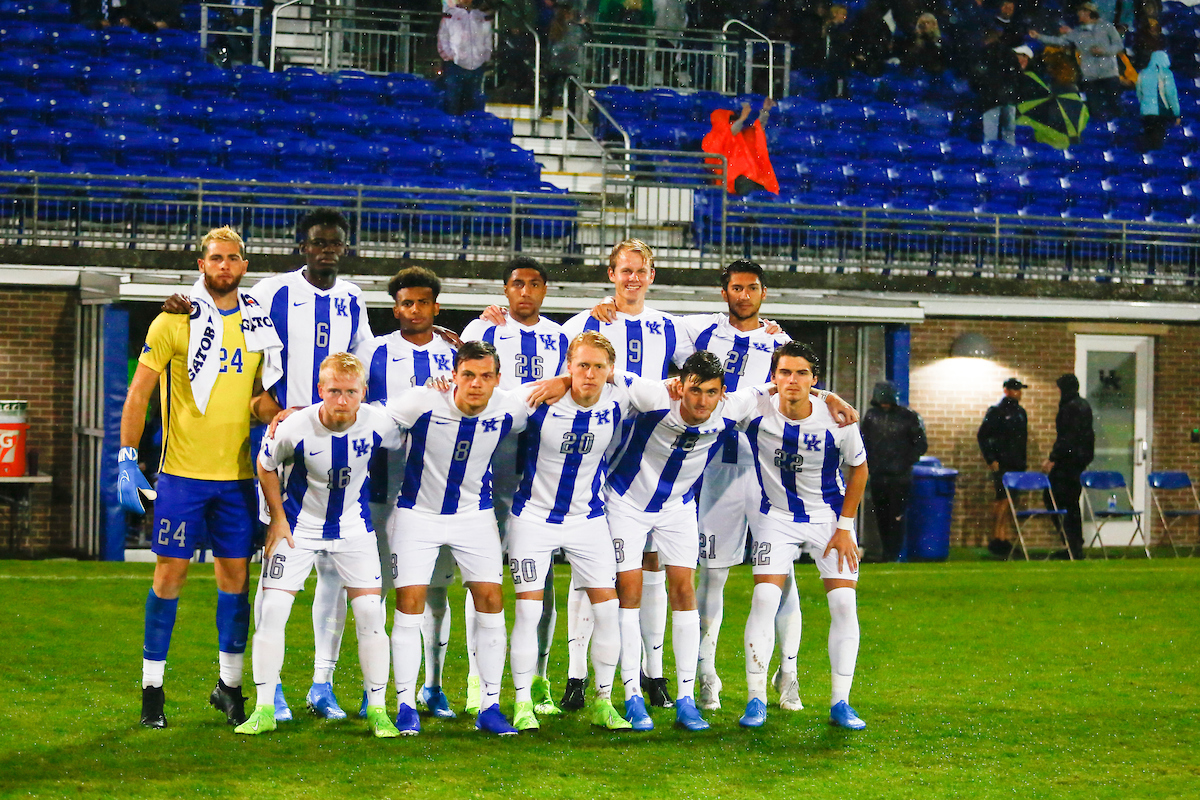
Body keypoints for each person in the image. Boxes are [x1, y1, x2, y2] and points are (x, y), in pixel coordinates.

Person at [586, 258, 858, 712]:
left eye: (752, 288)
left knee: (782, 576)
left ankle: (787, 673)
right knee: (710, 574)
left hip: (768, 468)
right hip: (713, 470)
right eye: (736, 287)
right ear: (724, 291)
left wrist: (830, 396)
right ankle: (706, 675)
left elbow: (798, 381)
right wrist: (610, 307)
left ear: (763, 293)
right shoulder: (695, 329)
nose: (744, 295)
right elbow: (646, 326)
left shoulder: (779, 339)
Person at [161, 209, 375, 722]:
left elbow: (366, 359)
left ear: (344, 248)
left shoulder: (353, 299)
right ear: (302, 247)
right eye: (317, 242)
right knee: (274, 561)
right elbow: (222, 306)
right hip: (281, 440)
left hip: (338, 442)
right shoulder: (273, 291)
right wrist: (183, 300)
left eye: (334, 243)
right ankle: (269, 687)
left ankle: (322, 683)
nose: (326, 249)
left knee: (333, 572)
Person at [120, 226, 282, 728]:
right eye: (216, 258)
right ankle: (152, 690)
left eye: (233, 258)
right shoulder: (173, 321)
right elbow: (139, 393)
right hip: (181, 477)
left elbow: (256, 398)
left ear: (244, 266)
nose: (225, 266)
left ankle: (229, 687)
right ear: (201, 264)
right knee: (169, 576)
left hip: (236, 479)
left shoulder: (259, 323)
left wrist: (279, 410)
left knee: (236, 580)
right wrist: (127, 456)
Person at [603, 351, 775, 732]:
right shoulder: (652, 396)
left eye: (711, 392)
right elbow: (604, 371)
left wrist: (832, 399)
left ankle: (685, 700)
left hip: (677, 508)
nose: (701, 401)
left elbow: (782, 383)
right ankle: (632, 694)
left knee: (684, 592)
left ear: (722, 393)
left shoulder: (731, 409)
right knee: (628, 592)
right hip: (626, 502)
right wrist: (557, 382)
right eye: (694, 390)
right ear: (680, 386)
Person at [235, 354, 400, 739]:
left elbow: (415, 429)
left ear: (364, 393)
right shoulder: (295, 426)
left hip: (353, 530)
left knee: (371, 617)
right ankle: (264, 708)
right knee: (273, 610)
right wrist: (277, 518)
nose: (343, 400)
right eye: (335, 392)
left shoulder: (380, 423)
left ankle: (377, 709)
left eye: (351, 392)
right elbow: (265, 465)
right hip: (298, 529)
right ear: (320, 391)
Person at [383, 341, 535, 736]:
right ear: (454, 375)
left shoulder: (510, 407)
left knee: (490, 601)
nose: (476, 384)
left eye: (486, 376)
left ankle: (489, 705)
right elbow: (366, 418)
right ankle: (404, 704)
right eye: (468, 374)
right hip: (418, 514)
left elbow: (552, 390)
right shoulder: (420, 402)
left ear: (498, 379)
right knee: (409, 605)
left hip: (474, 516)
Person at [505, 332, 639, 732]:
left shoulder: (620, 399)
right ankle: (522, 702)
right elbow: (487, 405)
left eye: (599, 366)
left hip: (588, 520)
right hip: (533, 518)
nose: (590, 374)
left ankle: (603, 701)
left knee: (607, 609)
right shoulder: (537, 399)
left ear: (611, 371)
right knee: (529, 611)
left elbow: (667, 390)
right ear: (567, 365)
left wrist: (826, 397)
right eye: (582, 365)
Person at [737, 341, 869, 731]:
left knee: (844, 603)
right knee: (763, 598)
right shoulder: (756, 409)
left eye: (801, 373)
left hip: (828, 518)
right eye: (784, 372)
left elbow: (859, 470)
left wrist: (845, 529)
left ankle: (840, 703)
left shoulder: (838, 422)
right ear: (773, 377)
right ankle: (756, 698)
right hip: (776, 517)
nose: (791, 380)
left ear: (815, 380)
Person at [462, 257, 570, 718]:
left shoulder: (562, 335)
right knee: (482, 577)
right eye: (516, 284)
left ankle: (540, 678)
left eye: (533, 284)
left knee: (539, 576)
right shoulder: (482, 329)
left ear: (544, 290)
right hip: (494, 457)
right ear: (504, 290)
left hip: (543, 458)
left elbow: (574, 378)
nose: (524, 291)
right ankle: (474, 679)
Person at [357, 267, 461, 721]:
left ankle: (434, 687)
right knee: (375, 589)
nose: (413, 310)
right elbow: (356, 410)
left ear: (435, 307)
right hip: (380, 486)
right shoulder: (373, 352)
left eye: (422, 302)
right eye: (405, 303)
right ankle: (374, 690)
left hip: (437, 493)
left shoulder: (457, 355)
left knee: (436, 592)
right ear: (395, 307)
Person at [860, 380, 927, 562]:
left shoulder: (907, 416)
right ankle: (888, 553)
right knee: (883, 515)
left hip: (899, 476)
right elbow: (863, 443)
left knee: (895, 515)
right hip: (880, 474)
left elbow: (920, 445)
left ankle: (892, 553)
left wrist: (904, 462)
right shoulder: (872, 417)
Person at [1030, 2, 1124, 121]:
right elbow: (1059, 41)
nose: (1078, 16)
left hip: (1109, 74)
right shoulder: (1077, 32)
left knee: (1115, 107)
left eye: (1080, 13)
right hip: (1090, 77)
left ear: (1087, 12)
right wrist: (1039, 36)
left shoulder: (1107, 27)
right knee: (1095, 111)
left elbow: (1118, 45)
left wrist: (1104, 51)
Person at [1042, 374, 1094, 560]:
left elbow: (1066, 437)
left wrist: (1052, 458)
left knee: (1053, 498)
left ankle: (1070, 543)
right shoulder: (1084, 405)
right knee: (1071, 504)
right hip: (1079, 461)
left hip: (1067, 462)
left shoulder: (1069, 408)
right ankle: (1074, 544)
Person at [977, 377, 1028, 557]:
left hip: (1017, 463)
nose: (1018, 393)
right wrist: (991, 459)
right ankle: (996, 538)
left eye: (1020, 389)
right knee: (1002, 500)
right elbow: (983, 436)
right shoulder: (997, 411)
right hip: (1003, 463)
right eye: (1015, 389)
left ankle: (1003, 537)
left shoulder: (1021, 412)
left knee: (1009, 502)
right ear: (1006, 391)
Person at [701, 99, 780, 196]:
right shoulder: (713, 137)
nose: (733, 122)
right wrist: (742, 118)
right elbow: (728, 134)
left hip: (752, 178)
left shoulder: (743, 135)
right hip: (734, 181)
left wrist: (765, 111)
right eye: (731, 120)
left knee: (764, 195)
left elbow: (758, 128)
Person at [438, 0, 494, 115]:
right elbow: (443, 38)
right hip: (455, 66)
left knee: (472, 103)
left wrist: (484, 57)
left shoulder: (481, 17)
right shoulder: (450, 15)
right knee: (452, 101)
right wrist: (450, 57)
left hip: (476, 66)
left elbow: (488, 37)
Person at [980, 45, 1032, 146]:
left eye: (1023, 56)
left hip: (1009, 103)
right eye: (1018, 55)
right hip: (994, 102)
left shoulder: (1026, 76)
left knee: (1009, 132)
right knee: (992, 135)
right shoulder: (1001, 67)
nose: (1019, 59)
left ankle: (1009, 155)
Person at [1137, 51, 1181, 153]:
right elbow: (1171, 94)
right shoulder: (1166, 73)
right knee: (1157, 141)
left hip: (1146, 112)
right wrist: (1176, 113)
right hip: (1160, 112)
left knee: (1148, 138)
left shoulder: (1143, 73)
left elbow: (1139, 93)